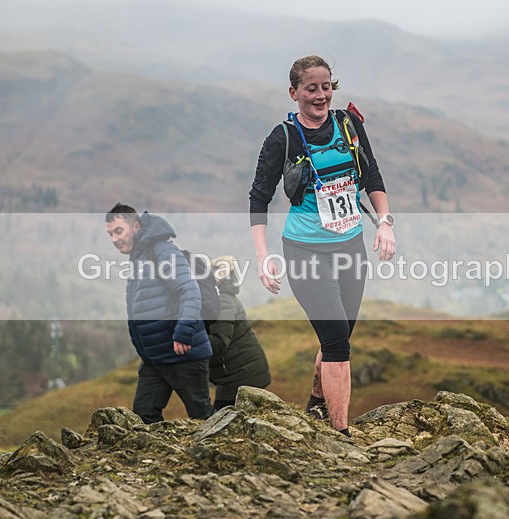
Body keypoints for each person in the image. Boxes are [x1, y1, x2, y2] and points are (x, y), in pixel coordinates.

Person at [249, 55, 396, 436]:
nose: (320, 95)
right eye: (311, 88)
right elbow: (258, 198)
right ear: (294, 92)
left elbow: (372, 175)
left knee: (339, 337)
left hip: (351, 248)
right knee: (337, 346)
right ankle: (341, 433)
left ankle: (316, 402)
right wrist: (263, 256)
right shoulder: (282, 137)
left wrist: (384, 223)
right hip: (305, 251)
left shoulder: (348, 125)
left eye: (326, 87)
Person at [105, 203, 215, 423]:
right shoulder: (140, 257)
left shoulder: (162, 251)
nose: (114, 239)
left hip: (183, 353)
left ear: (136, 226)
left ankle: (228, 453)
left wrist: (183, 333)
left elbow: (190, 290)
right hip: (155, 356)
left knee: (202, 416)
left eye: (119, 231)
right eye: (110, 234)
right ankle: (154, 458)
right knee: (144, 415)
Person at [206, 256, 271, 410]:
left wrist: (191, 339)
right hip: (236, 373)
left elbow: (220, 341)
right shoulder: (218, 298)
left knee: (224, 418)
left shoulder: (223, 301)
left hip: (243, 374)